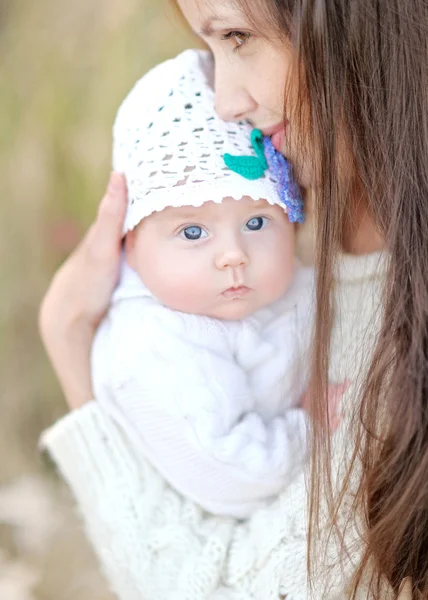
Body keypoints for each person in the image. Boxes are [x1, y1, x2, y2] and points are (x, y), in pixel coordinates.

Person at [38, 0, 428, 598]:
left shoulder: (389, 321)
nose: (226, 101)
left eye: (239, 36)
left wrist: (69, 338)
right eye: (211, 46)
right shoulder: (280, 253)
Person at [92, 47, 343, 519]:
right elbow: (228, 471)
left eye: (256, 223)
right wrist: (309, 428)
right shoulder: (154, 345)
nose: (233, 255)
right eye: (192, 232)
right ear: (129, 244)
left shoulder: (292, 284)